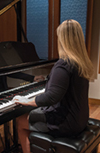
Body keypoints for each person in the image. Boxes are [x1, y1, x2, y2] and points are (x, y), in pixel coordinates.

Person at [12, 19, 94, 153]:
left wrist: (26, 100)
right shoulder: (81, 62)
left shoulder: (63, 64)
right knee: (32, 112)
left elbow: (51, 97)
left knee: (21, 121)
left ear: (62, 40)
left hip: (67, 123)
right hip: (80, 118)